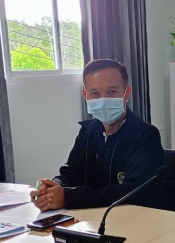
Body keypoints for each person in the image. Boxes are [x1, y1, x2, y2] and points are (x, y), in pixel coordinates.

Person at [31, 59, 165, 211]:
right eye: (94, 93)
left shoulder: (146, 136)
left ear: (126, 93)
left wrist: (68, 197)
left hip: (135, 217)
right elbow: (71, 172)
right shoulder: (87, 132)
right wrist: (52, 189)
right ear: (85, 95)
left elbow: (132, 192)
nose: (103, 100)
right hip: (90, 218)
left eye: (111, 92)